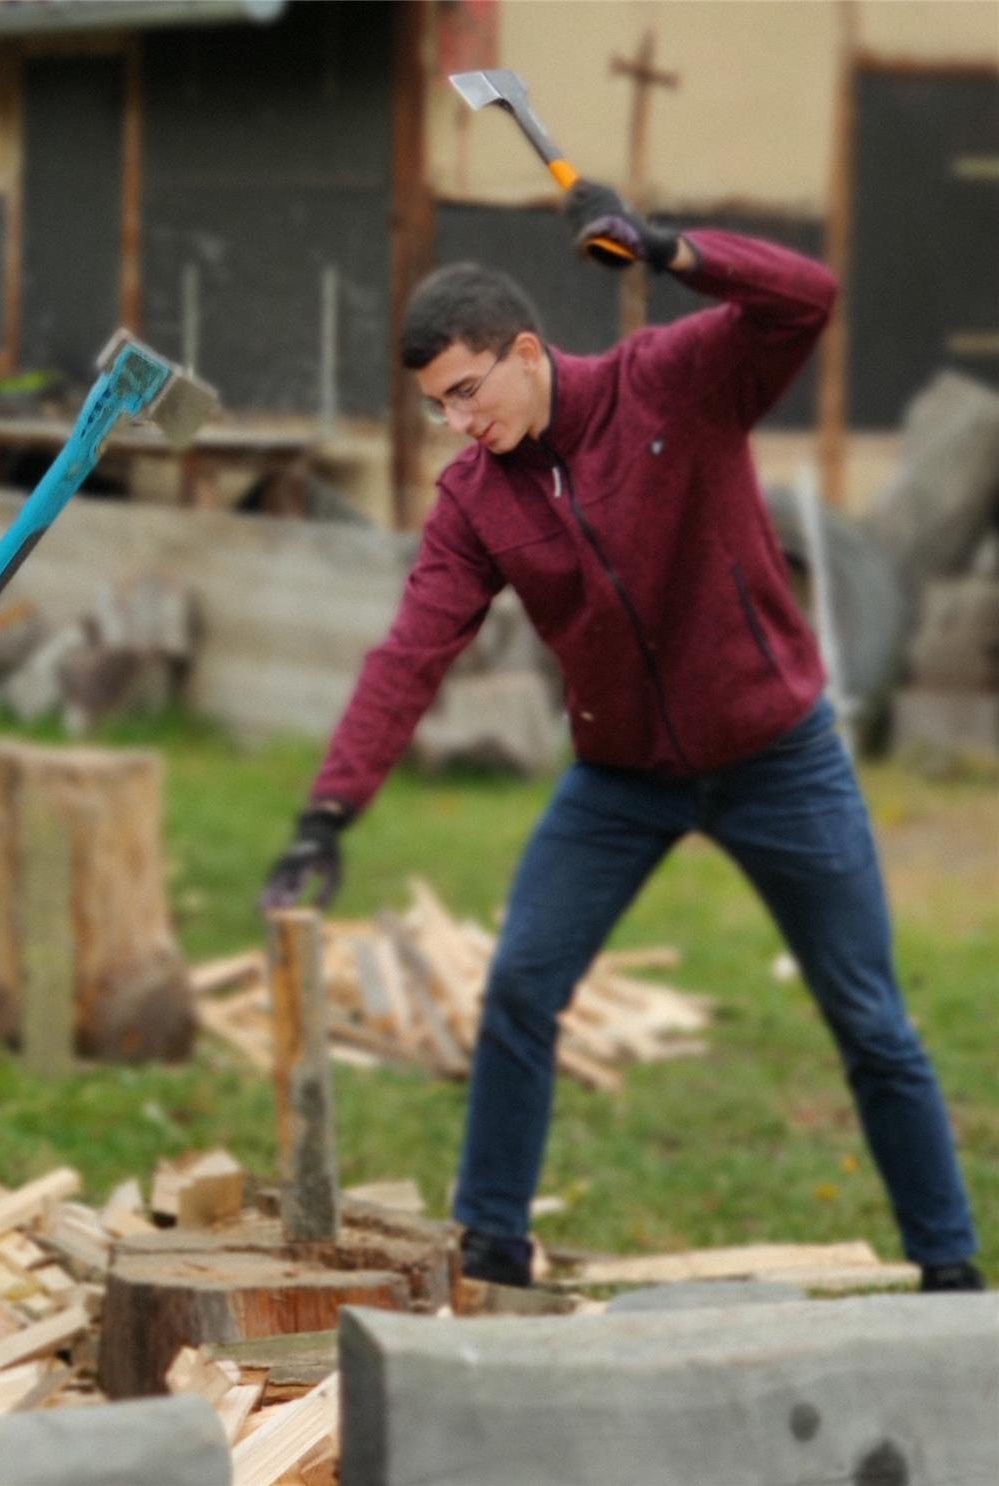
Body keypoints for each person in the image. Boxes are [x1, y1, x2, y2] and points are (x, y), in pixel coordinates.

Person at [262, 181, 982, 1296]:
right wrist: (327, 810)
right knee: (519, 991)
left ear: (524, 352)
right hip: (621, 782)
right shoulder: (475, 502)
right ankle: (493, 1252)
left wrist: (672, 246)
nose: (459, 420)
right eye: (437, 406)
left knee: (870, 1019)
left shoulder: (674, 383)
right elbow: (408, 655)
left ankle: (949, 1272)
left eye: (466, 390)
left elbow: (806, 298)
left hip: (778, 755)